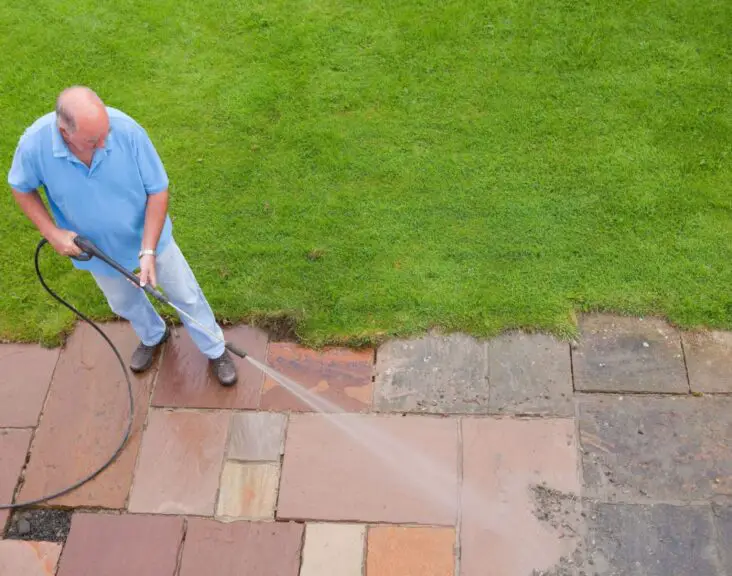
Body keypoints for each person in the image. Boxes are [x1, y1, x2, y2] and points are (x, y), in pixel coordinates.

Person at [7, 86, 238, 385]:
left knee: (185, 294)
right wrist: (51, 232)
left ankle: (215, 348)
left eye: (106, 132)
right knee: (123, 302)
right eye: (93, 140)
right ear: (65, 132)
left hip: (149, 238)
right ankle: (154, 335)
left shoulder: (127, 131)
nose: (104, 143)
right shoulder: (34, 146)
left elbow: (157, 190)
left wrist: (148, 251)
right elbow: (21, 187)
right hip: (98, 250)